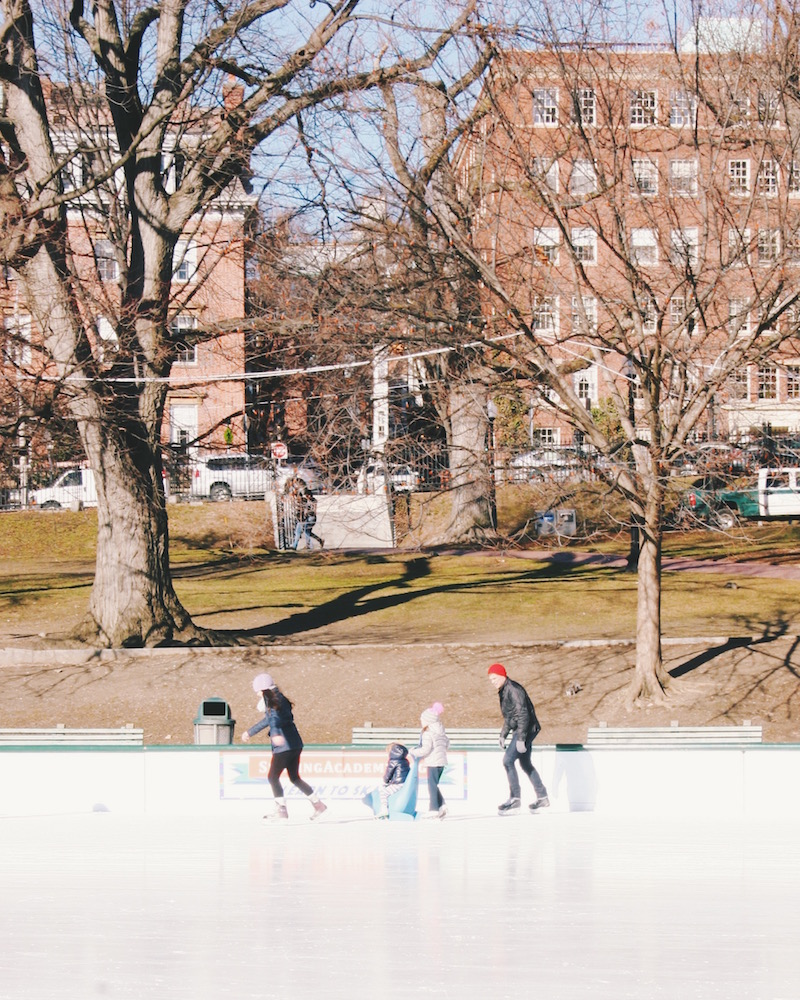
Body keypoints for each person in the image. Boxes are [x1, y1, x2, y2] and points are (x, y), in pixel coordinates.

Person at [241, 672, 327, 820]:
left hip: (284, 746)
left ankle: (281, 810)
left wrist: (275, 734)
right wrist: (250, 732)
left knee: (273, 777)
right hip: (295, 744)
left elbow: (274, 720)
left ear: (263, 690)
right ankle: (318, 805)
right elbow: (268, 720)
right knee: (294, 777)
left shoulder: (272, 701)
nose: (257, 696)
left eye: (257, 692)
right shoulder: (280, 699)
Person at [487, 662, 549, 815]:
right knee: (525, 763)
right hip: (523, 729)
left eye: (494, 678)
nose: (492, 682)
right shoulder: (504, 690)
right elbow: (510, 716)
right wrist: (503, 734)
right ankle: (542, 797)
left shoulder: (513, 690)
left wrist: (521, 738)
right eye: (491, 679)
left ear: (502, 676)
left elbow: (523, 715)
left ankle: (515, 799)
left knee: (508, 761)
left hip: (527, 729)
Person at [408, 703, 450, 818]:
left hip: (433, 762)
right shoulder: (441, 732)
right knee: (434, 785)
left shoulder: (428, 733)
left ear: (427, 721)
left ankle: (433, 809)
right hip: (441, 762)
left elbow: (425, 750)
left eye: (422, 720)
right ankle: (442, 805)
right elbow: (447, 744)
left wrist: (413, 751)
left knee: (431, 786)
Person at [377, 742, 411, 818]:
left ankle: (384, 810)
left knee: (383, 792)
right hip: (404, 783)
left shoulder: (393, 760)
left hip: (398, 783)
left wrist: (385, 781)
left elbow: (389, 773)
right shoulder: (405, 760)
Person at [292, 483, 324, 551]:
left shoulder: (310, 501)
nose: (306, 496)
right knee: (307, 532)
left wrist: (304, 515)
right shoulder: (302, 501)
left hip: (309, 518)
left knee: (306, 532)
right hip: (305, 518)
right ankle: (318, 540)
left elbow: (312, 510)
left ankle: (308, 545)